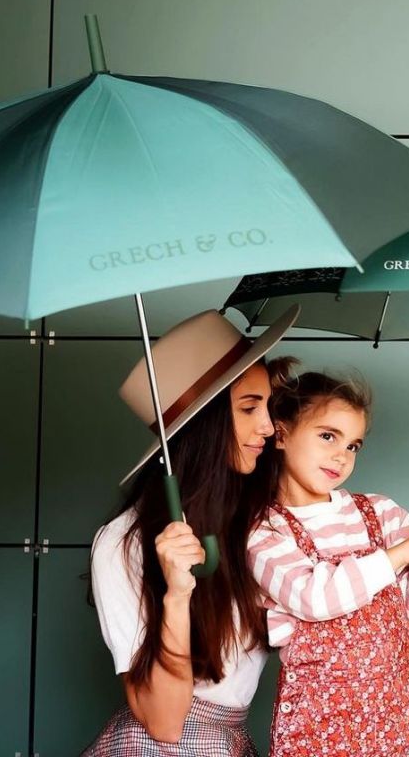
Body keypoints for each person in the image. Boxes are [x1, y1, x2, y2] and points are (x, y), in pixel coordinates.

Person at [82, 304, 299, 757]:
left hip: (232, 741)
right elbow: (163, 723)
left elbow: (336, 605)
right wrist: (178, 595)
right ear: (204, 424)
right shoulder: (123, 543)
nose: (268, 427)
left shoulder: (261, 522)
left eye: (268, 405)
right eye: (248, 407)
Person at [247, 366, 409, 757]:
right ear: (282, 433)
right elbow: (314, 598)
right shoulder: (265, 531)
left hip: (394, 717)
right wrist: (401, 554)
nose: (341, 456)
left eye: (353, 446)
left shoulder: (380, 512)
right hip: (317, 727)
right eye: (327, 437)